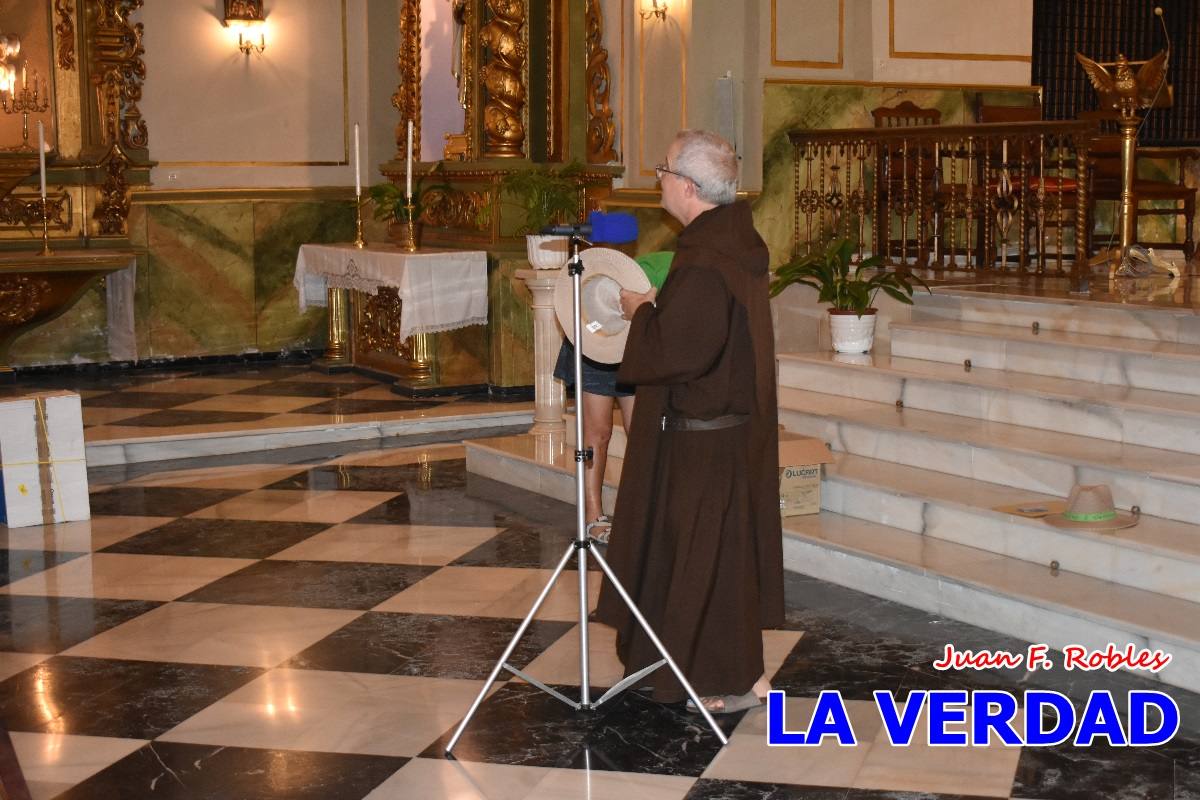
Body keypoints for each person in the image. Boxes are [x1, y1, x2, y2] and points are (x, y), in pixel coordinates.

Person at [595, 130, 782, 714]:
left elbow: (681, 352)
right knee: (720, 564)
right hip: (720, 433)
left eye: (663, 169)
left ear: (687, 186)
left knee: (700, 563)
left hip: (700, 442)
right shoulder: (732, 243)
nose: (659, 179)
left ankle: (710, 678)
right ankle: (735, 673)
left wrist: (643, 310)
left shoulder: (704, 261)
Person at [553, 251, 673, 544]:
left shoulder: (689, 268)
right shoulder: (671, 263)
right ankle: (592, 516)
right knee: (598, 432)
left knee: (641, 432)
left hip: (636, 341)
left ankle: (640, 511)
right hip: (597, 335)